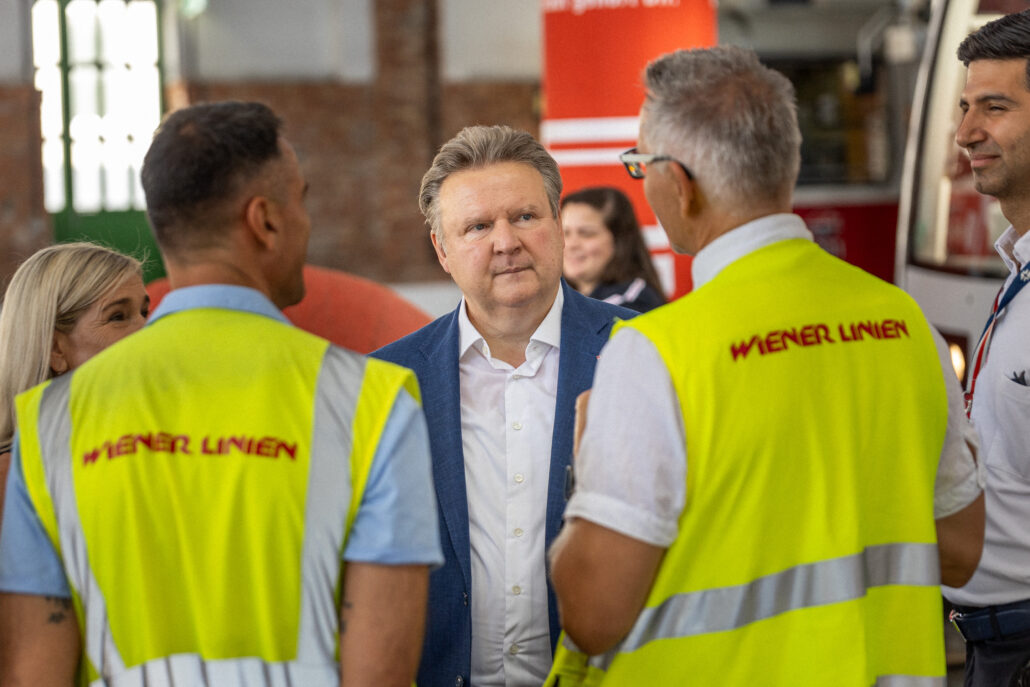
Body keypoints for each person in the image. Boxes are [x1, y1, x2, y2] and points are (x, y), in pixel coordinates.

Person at [545, 46, 985, 685]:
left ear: (680, 183)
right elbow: (962, 552)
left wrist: (587, 472)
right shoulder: (901, 322)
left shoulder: (658, 352)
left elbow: (591, 614)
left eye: (641, 167)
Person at [0, 101, 442, 687]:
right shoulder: (373, 399)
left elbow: (36, 670)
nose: (307, 222)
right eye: (302, 199)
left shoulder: (52, 419)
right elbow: (380, 671)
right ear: (265, 220)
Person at [372, 125, 635, 687]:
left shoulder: (646, 354)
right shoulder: (385, 384)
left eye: (524, 217)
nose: (506, 241)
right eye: (476, 226)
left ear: (558, 226)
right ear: (443, 251)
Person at [943, 10, 1030, 686]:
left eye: (994, 107)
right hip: (995, 651)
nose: (966, 131)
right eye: (966, 106)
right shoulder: (1017, 272)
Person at [0, 242, 148, 521]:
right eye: (118, 317)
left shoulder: (152, 445)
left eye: (144, 313)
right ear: (55, 349)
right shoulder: (13, 478)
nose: (146, 331)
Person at [561, 186, 665, 313]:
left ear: (619, 239)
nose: (571, 244)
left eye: (586, 233)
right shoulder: (561, 300)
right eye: (564, 233)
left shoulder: (632, 304)